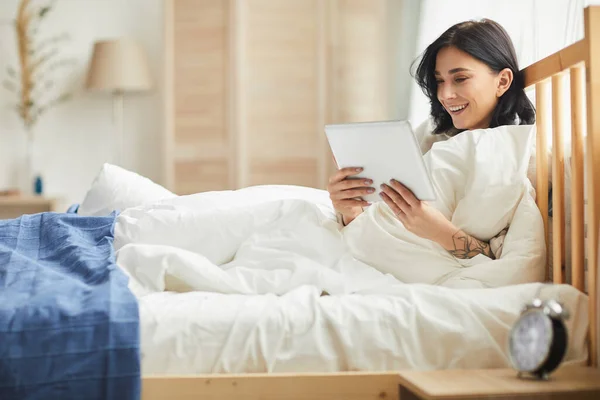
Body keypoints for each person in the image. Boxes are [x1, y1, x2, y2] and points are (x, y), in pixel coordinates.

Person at [327, 18, 535, 261]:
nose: (445, 95)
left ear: (502, 81)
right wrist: (350, 210)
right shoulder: (431, 134)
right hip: (378, 255)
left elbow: (506, 263)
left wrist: (439, 231)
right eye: (439, 81)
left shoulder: (523, 157)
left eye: (460, 78)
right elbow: (382, 223)